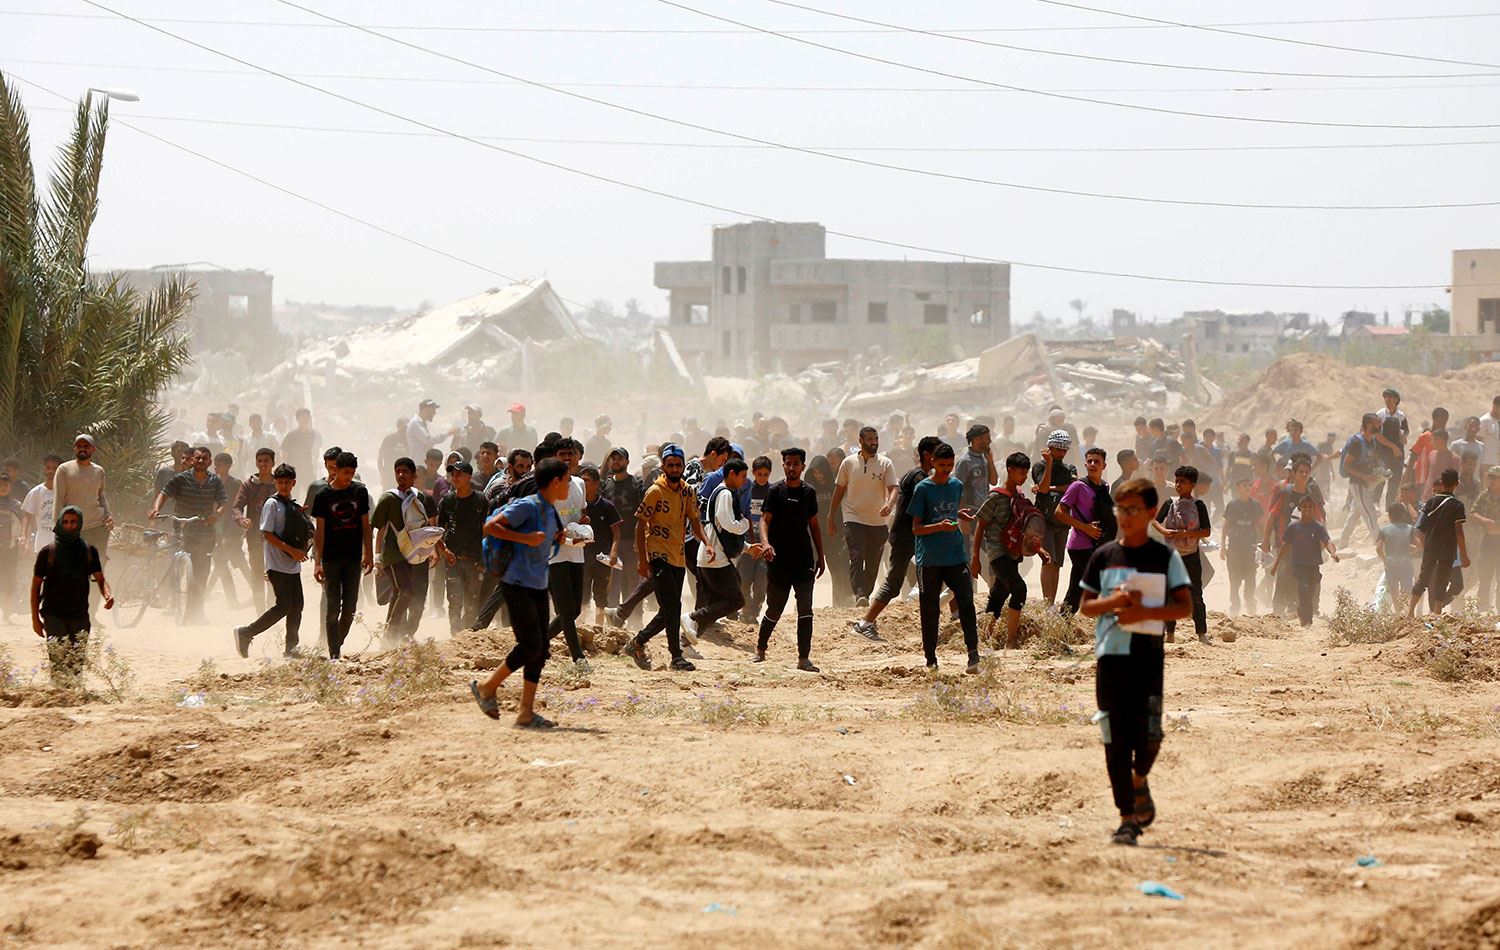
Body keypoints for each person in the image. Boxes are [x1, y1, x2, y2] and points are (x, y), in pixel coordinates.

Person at [1077, 477, 1194, 847]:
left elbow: (1185, 607)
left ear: (1151, 512)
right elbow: (1085, 607)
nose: (1125, 516)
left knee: (1150, 737)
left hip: (1148, 657)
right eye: (1120, 509)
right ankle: (1127, 818)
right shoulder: (1103, 556)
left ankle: (1139, 779)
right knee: (1115, 738)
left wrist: (1145, 611)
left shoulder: (1164, 557)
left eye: (1133, 509)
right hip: (1111, 658)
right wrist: (1113, 603)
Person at [469, 457, 570, 728]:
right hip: (517, 584)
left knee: (540, 649)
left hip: (538, 584)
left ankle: (526, 712)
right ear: (555, 482)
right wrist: (524, 538)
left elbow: (542, 540)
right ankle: (486, 687)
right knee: (530, 646)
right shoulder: (528, 505)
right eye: (567, 480)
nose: (569, 486)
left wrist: (558, 538)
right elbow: (490, 527)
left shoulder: (550, 510)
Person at [622, 444, 705, 672]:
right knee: (673, 606)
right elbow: (640, 526)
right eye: (671, 465)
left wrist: (707, 543)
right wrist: (642, 560)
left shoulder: (687, 491)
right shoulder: (655, 492)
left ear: (683, 466)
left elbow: (695, 520)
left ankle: (637, 643)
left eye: (678, 465)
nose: (675, 469)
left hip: (678, 556)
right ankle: (676, 656)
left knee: (668, 609)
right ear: (663, 466)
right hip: (658, 555)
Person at [852, 437, 939, 641]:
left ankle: (954, 617)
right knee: (894, 583)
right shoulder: (919, 478)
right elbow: (924, 507)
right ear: (928, 455)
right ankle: (864, 623)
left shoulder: (917, 475)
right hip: (906, 537)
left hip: (911, 536)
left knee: (941, 573)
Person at [752, 448, 825, 671]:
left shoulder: (809, 493)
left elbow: (814, 525)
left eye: (796, 464)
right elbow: (764, 520)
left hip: (803, 559)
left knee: (805, 608)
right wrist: (766, 544)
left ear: (803, 466)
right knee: (775, 609)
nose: (792, 467)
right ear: (783, 465)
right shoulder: (775, 491)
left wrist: (821, 556)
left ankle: (804, 658)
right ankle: (760, 649)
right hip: (779, 561)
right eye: (788, 463)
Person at [910, 443, 980, 673]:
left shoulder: (956, 485)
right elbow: (916, 528)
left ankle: (973, 654)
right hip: (930, 559)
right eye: (942, 465)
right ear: (933, 462)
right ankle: (930, 658)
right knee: (930, 610)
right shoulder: (922, 488)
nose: (946, 470)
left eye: (950, 465)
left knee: (967, 603)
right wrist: (939, 526)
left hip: (955, 555)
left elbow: (947, 511)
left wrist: (957, 515)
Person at [233, 463, 310, 657]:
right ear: (275, 483)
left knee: (297, 606)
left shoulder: (293, 505)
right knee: (283, 606)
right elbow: (266, 534)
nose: (284, 486)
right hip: (277, 564)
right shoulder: (272, 504)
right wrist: (292, 551)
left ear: (293, 483)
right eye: (280, 482)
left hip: (292, 565)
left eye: (287, 482)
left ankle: (291, 648)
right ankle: (246, 633)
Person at [30, 506, 112, 683]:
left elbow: (100, 578)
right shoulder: (47, 553)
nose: (69, 526)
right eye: (65, 522)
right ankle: (59, 696)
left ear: (79, 524)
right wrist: (35, 618)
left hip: (79, 616)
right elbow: (35, 586)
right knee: (59, 665)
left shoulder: (89, 551)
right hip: (53, 615)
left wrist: (107, 595)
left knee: (76, 666)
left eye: (73, 522)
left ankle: (73, 697)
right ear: (60, 523)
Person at [148, 446, 226, 625]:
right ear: (193, 460)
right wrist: (155, 509)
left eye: (204, 458)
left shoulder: (215, 481)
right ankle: (174, 603)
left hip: (205, 531)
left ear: (209, 462)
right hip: (183, 530)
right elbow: (163, 494)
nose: (201, 461)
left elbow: (223, 503)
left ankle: (197, 612)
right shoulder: (181, 478)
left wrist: (216, 514)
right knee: (178, 566)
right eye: (198, 458)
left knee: (202, 573)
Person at [972, 452, 1042, 649]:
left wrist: (1040, 550)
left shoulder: (1019, 497)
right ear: (1010, 471)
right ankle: (1011, 639)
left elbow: (1024, 528)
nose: (1025, 477)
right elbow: (980, 527)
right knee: (1019, 589)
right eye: (1021, 473)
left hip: (1013, 553)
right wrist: (975, 558)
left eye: (1026, 473)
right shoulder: (995, 497)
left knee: (999, 594)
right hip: (997, 553)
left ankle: (985, 637)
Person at [828, 426, 899, 607]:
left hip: (877, 520)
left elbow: (893, 488)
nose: (874, 442)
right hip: (853, 517)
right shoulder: (848, 463)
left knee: (873, 562)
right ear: (860, 441)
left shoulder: (885, 463)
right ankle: (860, 593)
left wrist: (890, 504)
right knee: (856, 555)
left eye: (876, 439)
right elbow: (839, 490)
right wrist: (831, 517)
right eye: (869, 439)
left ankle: (865, 594)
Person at [311, 452, 373, 659]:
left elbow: (366, 526)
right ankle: (334, 654)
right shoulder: (323, 496)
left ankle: (336, 643)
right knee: (332, 608)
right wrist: (317, 562)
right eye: (345, 472)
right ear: (335, 470)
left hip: (354, 558)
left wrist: (369, 553)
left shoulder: (360, 492)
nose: (349, 477)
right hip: (331, 559)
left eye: (352, 473)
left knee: (350, 609)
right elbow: (319, 531)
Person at [371, 457, 440, 640]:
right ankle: (391, 634)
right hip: (394, 555)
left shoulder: (420, 498)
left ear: (413, 476)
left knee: (404, 594)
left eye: (405, 472)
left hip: (416, 555)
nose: (401, 475)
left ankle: (399, 636)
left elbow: (428, 528)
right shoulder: (388, 498)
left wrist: (435, 550)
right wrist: (376, 558)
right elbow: (379, 529)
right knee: (405, 591)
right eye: (398, 471)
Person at [686, 458, 754, 637]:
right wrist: (746, 523)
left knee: (714, 606)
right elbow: (728, 525)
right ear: (731, 474)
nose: (745, 480)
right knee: (736, 601)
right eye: (743, 476)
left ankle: (685, 640)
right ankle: (692, 617)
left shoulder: (722, 492)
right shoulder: (725, 494)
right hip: (716, 558)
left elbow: (722, 532)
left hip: (711, 556)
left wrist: (746, 547)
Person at [52, 434, 113, 616]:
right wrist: (60, 529)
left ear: (93, 449)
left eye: (86, 446)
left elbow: (101, 496)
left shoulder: (99, 471)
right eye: (79, 446)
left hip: (97, 528)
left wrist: (108, 514)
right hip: (74, 531)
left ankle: (91, 615)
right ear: (74, 448)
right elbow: (59, 500)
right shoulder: (64, 470)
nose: (82, 449)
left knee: (96, 573)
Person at [1052, 446, 1116, 615]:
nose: (1093, 464)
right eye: (1089, 461)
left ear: (1104, 465)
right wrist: (1085, 528)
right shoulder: (1077, 486)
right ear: (1085, 464)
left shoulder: (1104, 487)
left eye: (1097, 461)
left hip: (1096, 545)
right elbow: (1059, 513)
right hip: (1079, 546)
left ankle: (1061, 624)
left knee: (1075, 593)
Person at [544, 439, 590, 667]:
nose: (567, 458)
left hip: (576, 551)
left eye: (570, 454)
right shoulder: (547, 485)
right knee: (565, 608)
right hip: (554, 553)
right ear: (555, 457)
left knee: (574, 610)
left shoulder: (580, 484)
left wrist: (584, 524)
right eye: (562, 454)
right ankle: (578, 657)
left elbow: (580, 513)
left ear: (576, 457)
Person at [1153, 466, 1211, 644]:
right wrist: (1165, 531)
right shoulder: (1170, 503)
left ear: (1192, 485)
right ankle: (1169, 634)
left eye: (1182, 482)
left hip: (1191, 556)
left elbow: (1206, 531)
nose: (1178, 485)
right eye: (1177, 481)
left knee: (1196, 595)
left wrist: (1186, 534)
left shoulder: (1198, 505)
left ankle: (1201, 633)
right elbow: (1155, 521)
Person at [1269, 496, 1340, 626]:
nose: (1307, 509)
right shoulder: (1293, 527)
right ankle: (1307, 620)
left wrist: (1332, 553)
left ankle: (1301, 610)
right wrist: (1276, 564)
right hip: (1299, 565)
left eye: (1310, 507)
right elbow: (1285, 546)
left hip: (1313, 565)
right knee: (1304, 587)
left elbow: (1326, 541)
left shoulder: (1318, 527)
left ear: (1314, 509)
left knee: (1310, 591)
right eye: (1305, 507)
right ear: (1300, 508)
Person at [1409, 468, 1469, 616]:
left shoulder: (1430, 502)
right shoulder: (1457, 505)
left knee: (1423, 579)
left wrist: (1424, 546)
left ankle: (1410, 612)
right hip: (1447, 548)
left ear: (1442, 482)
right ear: (1457, 484)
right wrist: (1464, 555)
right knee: (1442, 581)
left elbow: (1420, 529)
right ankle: (1436, 615)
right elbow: (1459, 532)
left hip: (1430, 547)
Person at [437, 460, 489, 634]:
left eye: (459, 474)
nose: (455, 478)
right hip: (453, 560)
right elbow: (438, 530)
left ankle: (468, 635)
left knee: (472, 602)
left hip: (474, 560)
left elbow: (486, 531)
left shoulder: (481, 500)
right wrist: (444, 551)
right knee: (454, 600)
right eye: (452, 474)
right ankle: (455, 635)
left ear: (469, 477)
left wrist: (482, 558)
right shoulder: (447, 501)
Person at [1032, 430, 1078, 607]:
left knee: (1057, 563)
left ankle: (1051, 603)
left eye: (1064, 450)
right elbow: (1043, 488)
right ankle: (1047, 604)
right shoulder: (1039, 466)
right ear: (1050, 448)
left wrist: (1052, 487)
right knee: (1048, 560)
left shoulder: (1070, 468)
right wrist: (1049, 464)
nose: (1061, 453)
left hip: (1063, 521)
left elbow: (1072, 487)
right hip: (1045, 520)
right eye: (1058, 449)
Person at [232, 447, 278, 615]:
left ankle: (272, 612)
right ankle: (260, 614)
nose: (263, 464)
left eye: (266, 461)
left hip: (276, 539)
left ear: (273, 463)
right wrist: (241, 519)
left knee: (274, 575)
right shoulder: (249, 484)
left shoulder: (279, 483)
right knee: (257, 574)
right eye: (260, 461)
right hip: (255, 538)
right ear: (256, 463)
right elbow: (237, 507)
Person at [578, 464, 621, 628]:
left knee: (601, 592)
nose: (583, 484)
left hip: (601, 557)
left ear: (596, 484)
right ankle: (580, 623)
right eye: (581, 480)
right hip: (582, 555)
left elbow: (616, 532)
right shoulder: (577, 506)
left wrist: (613, 552)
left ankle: (598, 625)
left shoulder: (606, 506)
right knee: (582, 590)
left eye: (586, 480)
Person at [1336, 413, 1386, 551]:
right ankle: (1379, 544)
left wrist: (1380, 473)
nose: (1380, 425)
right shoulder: (1357, 443)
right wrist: (1364, 477)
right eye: (1377, 423)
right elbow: (1347, 465)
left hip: (1366, 483)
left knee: (1355, 514)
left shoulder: (1372, 440)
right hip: (1358, 484)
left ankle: (1343, 543)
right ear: (1369, 425)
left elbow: (1374, 459)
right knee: (1370, 513)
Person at [1221, 479, 1264, 616]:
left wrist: (1264, 543)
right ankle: (1234, 607)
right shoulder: (1232, 505)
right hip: (1234, 547)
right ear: (1238, 487)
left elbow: (1260, 525)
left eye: (1249, 485)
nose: (1248, 487)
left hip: (1250, 548)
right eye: (1245, 485)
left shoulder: (1255, 505)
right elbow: (1225, 526)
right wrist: (1223, 547)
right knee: (1234, 580)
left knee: (1250, 579)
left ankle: (1251, 606)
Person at [739, 455, 774, 623]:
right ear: (753, 472)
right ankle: (745, 608)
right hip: (748, 542)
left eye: (765, 474)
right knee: (744, 578)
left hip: (766, 543)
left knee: (762, 579)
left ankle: (755, 609)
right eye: (759, 474)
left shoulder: (773, 491)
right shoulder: (745, 490)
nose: (762, 478)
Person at [1376, 503, 1420, 609]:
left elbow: (1378, 549)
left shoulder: (1383, 530)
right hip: (1406, 564)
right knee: (1407, 590)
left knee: (1394, 591)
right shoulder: (1410, 528)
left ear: (1389, 516)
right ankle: (1406, 611)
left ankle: (1397, 611)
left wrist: (1384, 559)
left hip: (1390, 564)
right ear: (1403, 515)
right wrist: (1411, 549)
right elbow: (1418, 545)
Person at [20, 454, 61, 556]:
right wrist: (25, 537)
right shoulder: (36, 492)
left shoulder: (65, 492)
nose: (51, 471)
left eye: (54, 468)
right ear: (44, 469)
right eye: (48, 468)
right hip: (42, 546)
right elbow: (27, 517)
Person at [1375, 388, 1409, 506]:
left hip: (1397, 454)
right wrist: (1393, 447)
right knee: (1380, 480)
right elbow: (1377, 435)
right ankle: (1375, 506)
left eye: (1390, 397)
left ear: (1396, 400)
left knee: (1394, 482)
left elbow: (1406, 430)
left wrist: (1404, 437)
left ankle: (1390, 508)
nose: (1387, 400)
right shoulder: (1380, 415)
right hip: (1383, 452)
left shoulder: (1401, 416)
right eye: (1385, 397)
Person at [279, 408, 319, 482]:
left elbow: (316, 453)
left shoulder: (313, 435)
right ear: (297, 419)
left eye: (308, 417)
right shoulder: (291, 436)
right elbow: (284, 455)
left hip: (308, 471)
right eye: (303, 417)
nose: (306, 420)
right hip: (293, 471)